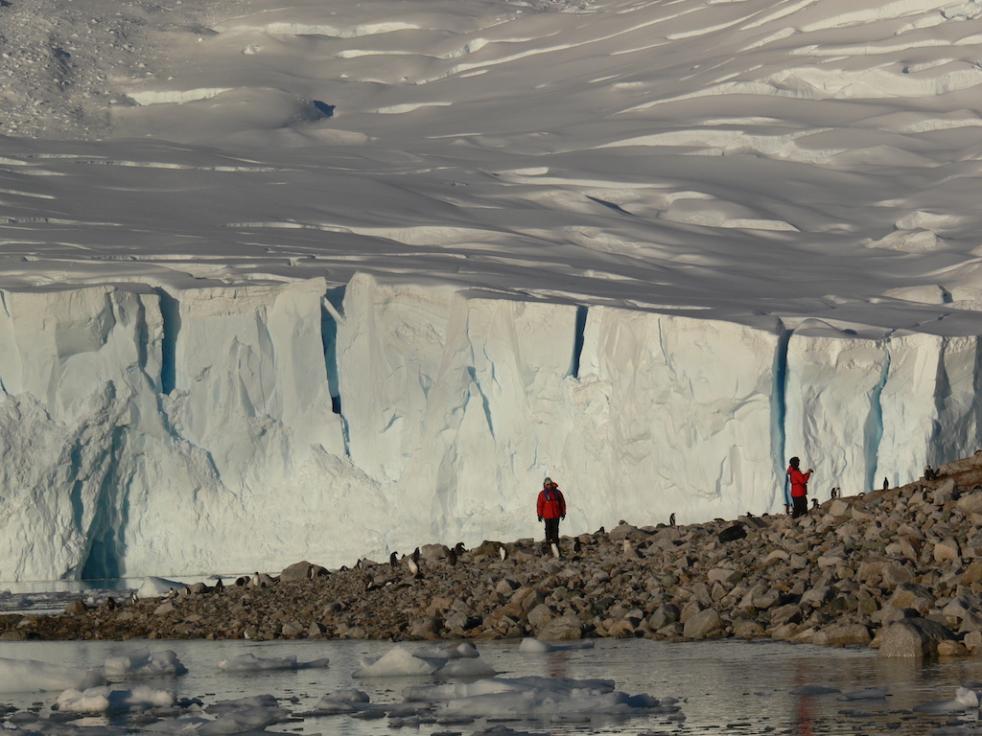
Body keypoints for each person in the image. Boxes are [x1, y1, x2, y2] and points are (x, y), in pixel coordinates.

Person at [537, 477, 566, 546]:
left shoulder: (558, 493)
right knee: (548, 529)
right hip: (547, 515)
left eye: (550, 484)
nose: (549, 485)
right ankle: (548, 543)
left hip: (556, 514)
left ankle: (555, 542)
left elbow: (562, 503)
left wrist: (563, 513)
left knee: (555, 529)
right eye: (547, 484)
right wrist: (539, 515)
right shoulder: (542, 494)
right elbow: (539, 505)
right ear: (544, 485)